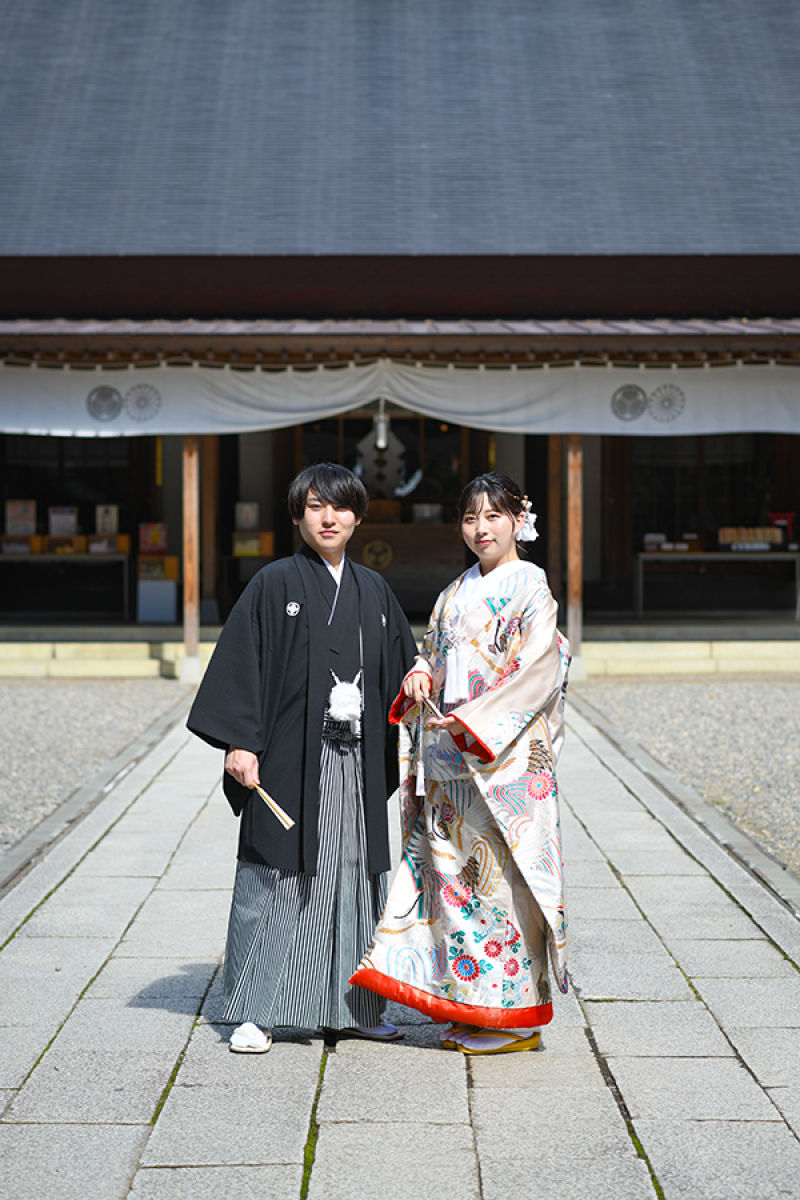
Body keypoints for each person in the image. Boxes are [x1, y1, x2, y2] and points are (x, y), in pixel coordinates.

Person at [188, 463, 417, 1053]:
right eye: (316, 506)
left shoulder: (375, 591)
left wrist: (425, 686)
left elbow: (404, 668)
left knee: (354, 874)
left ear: (358, 517)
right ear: (298, 515)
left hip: (356, 762)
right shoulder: (273, 585)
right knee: (276, 875)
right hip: (292, 759)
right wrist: (241, 742)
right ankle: (256, 1011)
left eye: (340, 507)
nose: (328, 517)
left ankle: (356, 1007)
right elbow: (242, 668)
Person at [351, 472, 570, 1055]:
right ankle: (477, 1007)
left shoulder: (533, 589)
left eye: (493, 516)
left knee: (504, 884)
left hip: (504, 764)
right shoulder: (453, 592)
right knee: (456, 885)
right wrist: (422, 671)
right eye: (470, 518)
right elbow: (434, 653)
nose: (480, 529)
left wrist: (476, 722)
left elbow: (542, 670)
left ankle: (518, 1016)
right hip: (450, 760)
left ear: (518, 521)